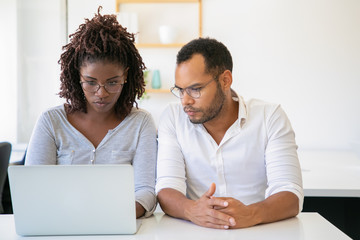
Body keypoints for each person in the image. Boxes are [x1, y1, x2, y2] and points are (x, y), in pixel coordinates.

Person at [155, 38, 303, 229]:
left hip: (258, 231)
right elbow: (167, 188)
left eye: (195, 89)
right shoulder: (173, 118)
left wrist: (250, 214)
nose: (185, 101)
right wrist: (191, 210)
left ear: (225, 80)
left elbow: (290, 194)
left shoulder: (269, 117)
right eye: (180, 90)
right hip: (198, 231)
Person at [25, 7, 157, 218]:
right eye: (91, 82)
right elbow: (32, 190)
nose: (101, 93)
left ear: (126, 77)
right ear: (78, 76)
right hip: (60, 224)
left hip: (120, 223)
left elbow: (146, 191)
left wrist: (118, 214)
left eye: (112, 82)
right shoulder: (51, 122)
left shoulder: (141, 123)